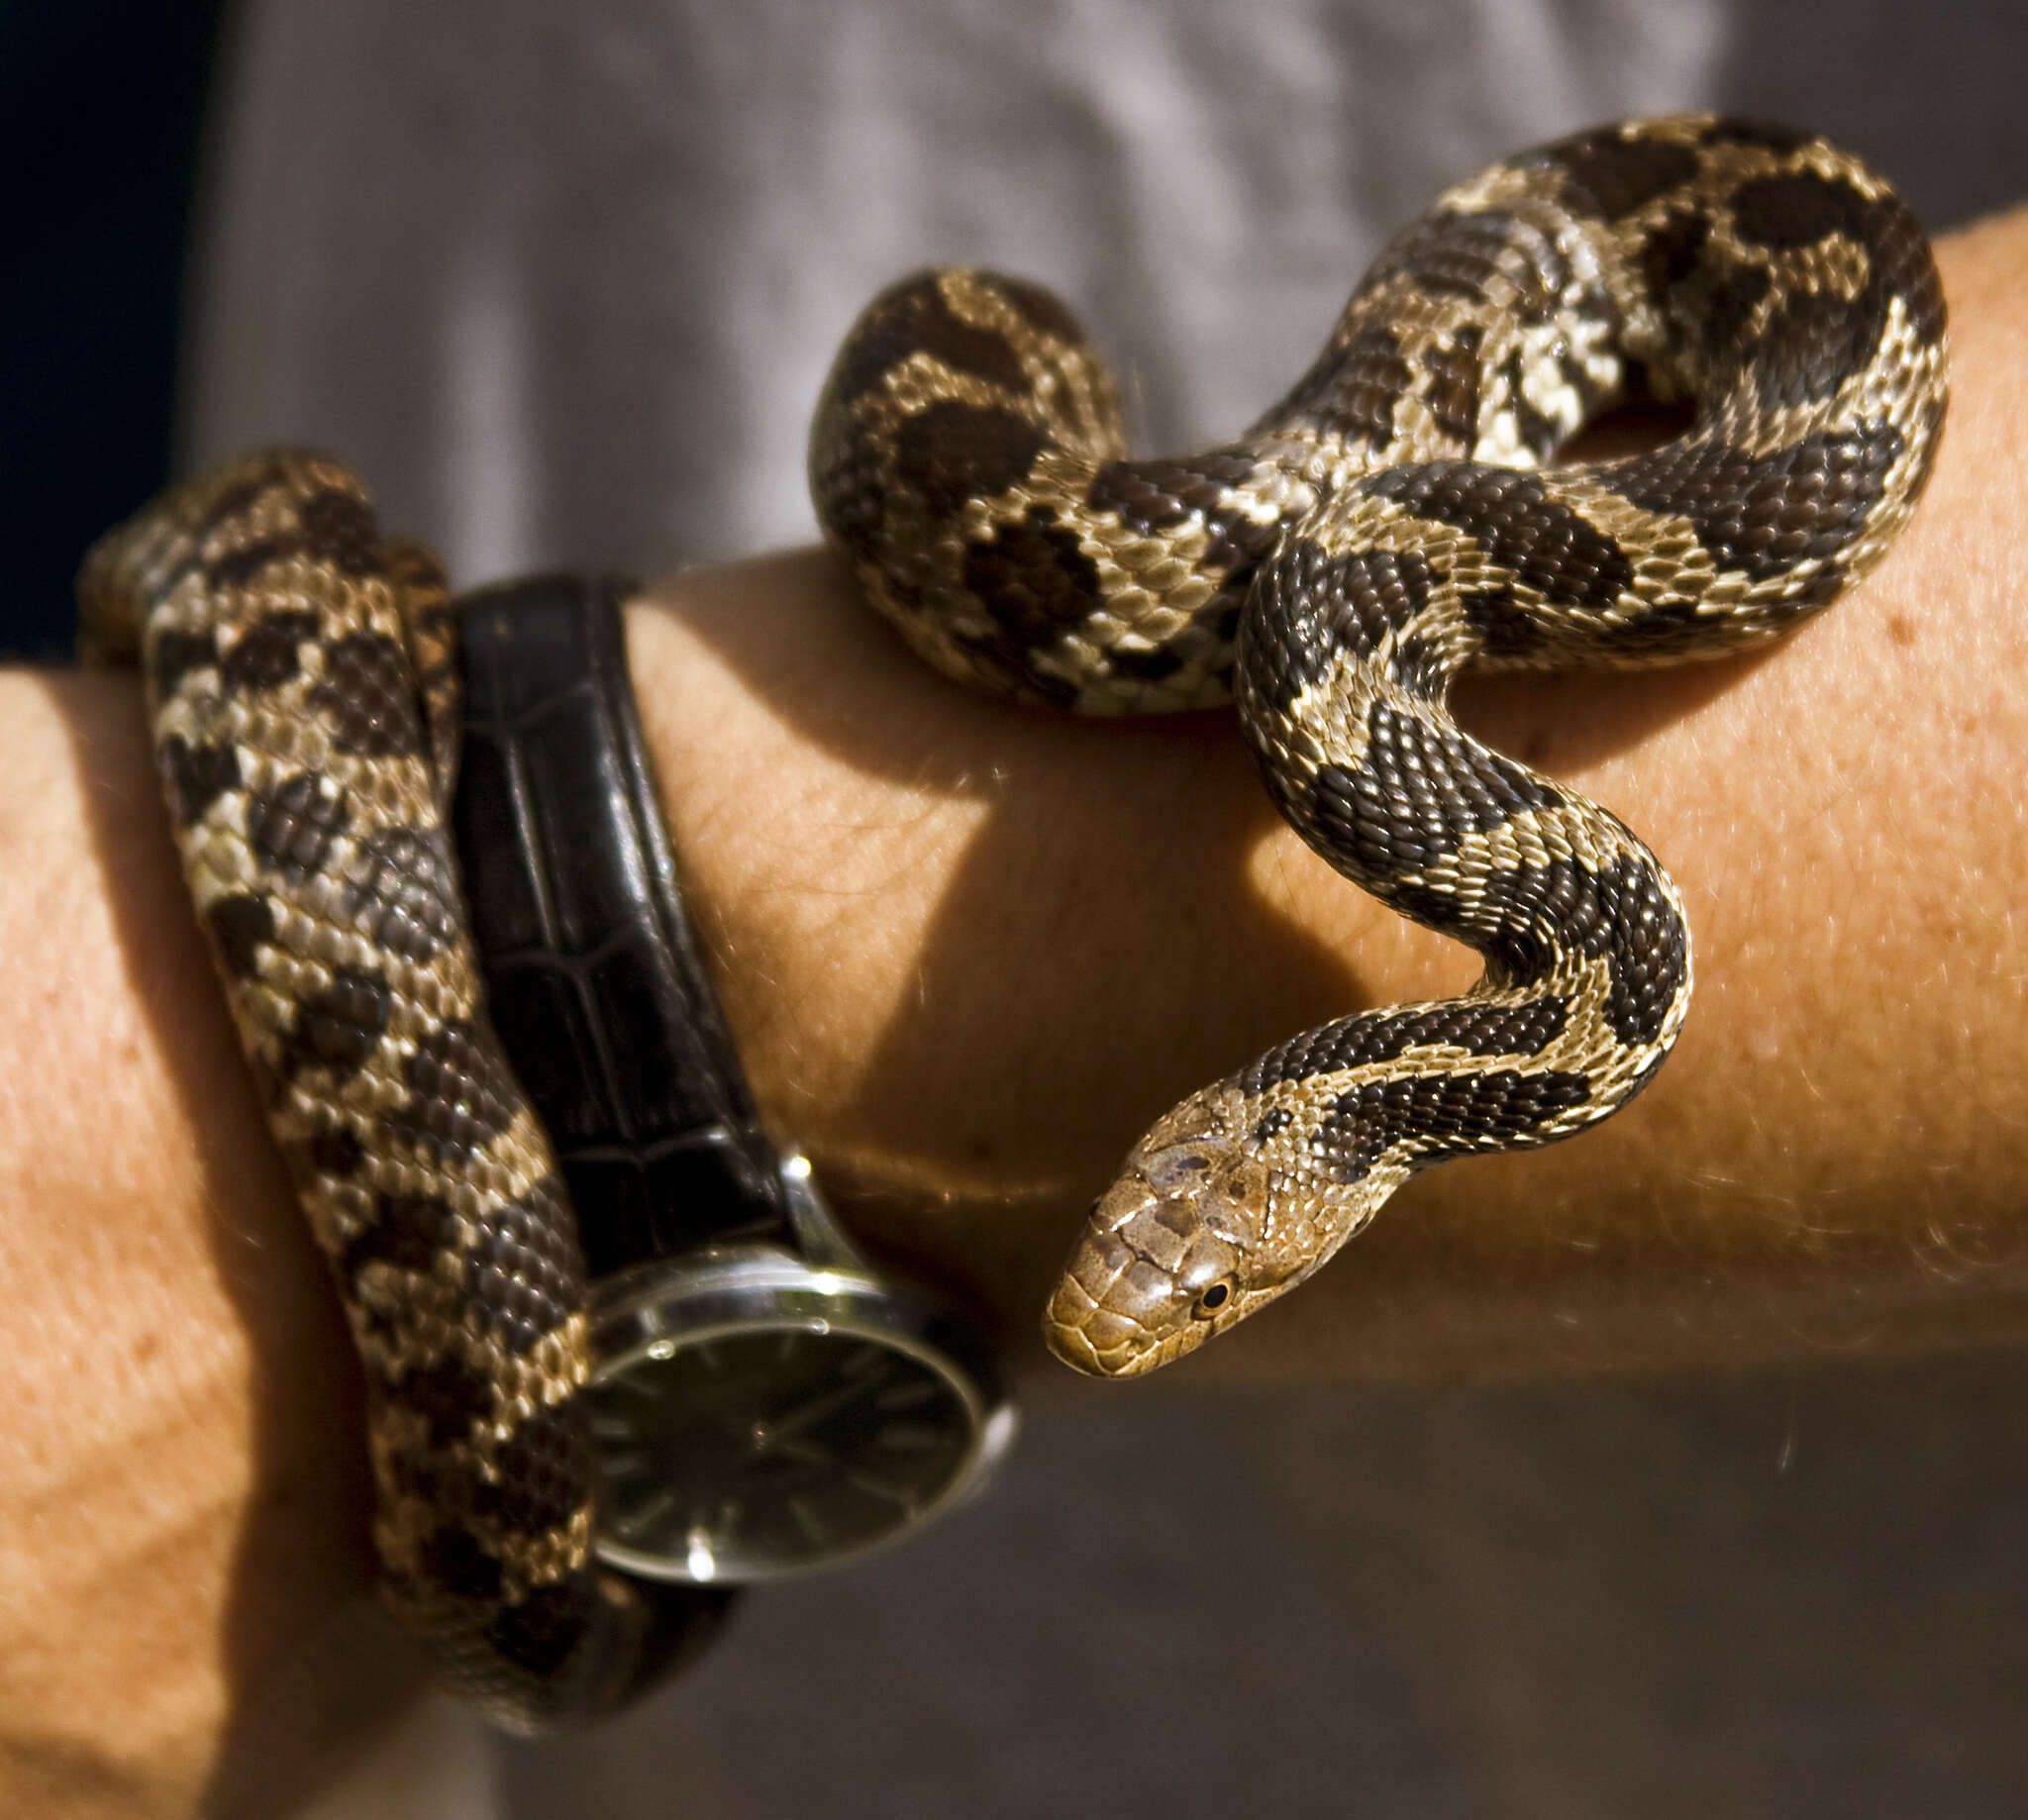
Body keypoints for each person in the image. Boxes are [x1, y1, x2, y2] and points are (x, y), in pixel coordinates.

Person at [7, 3, 2028, 1814]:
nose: (1138, 1274)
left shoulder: (1566, 963)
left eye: (1191, 1263)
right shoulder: (1404, 698)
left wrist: (562, 1073)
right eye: (1181, 1243)